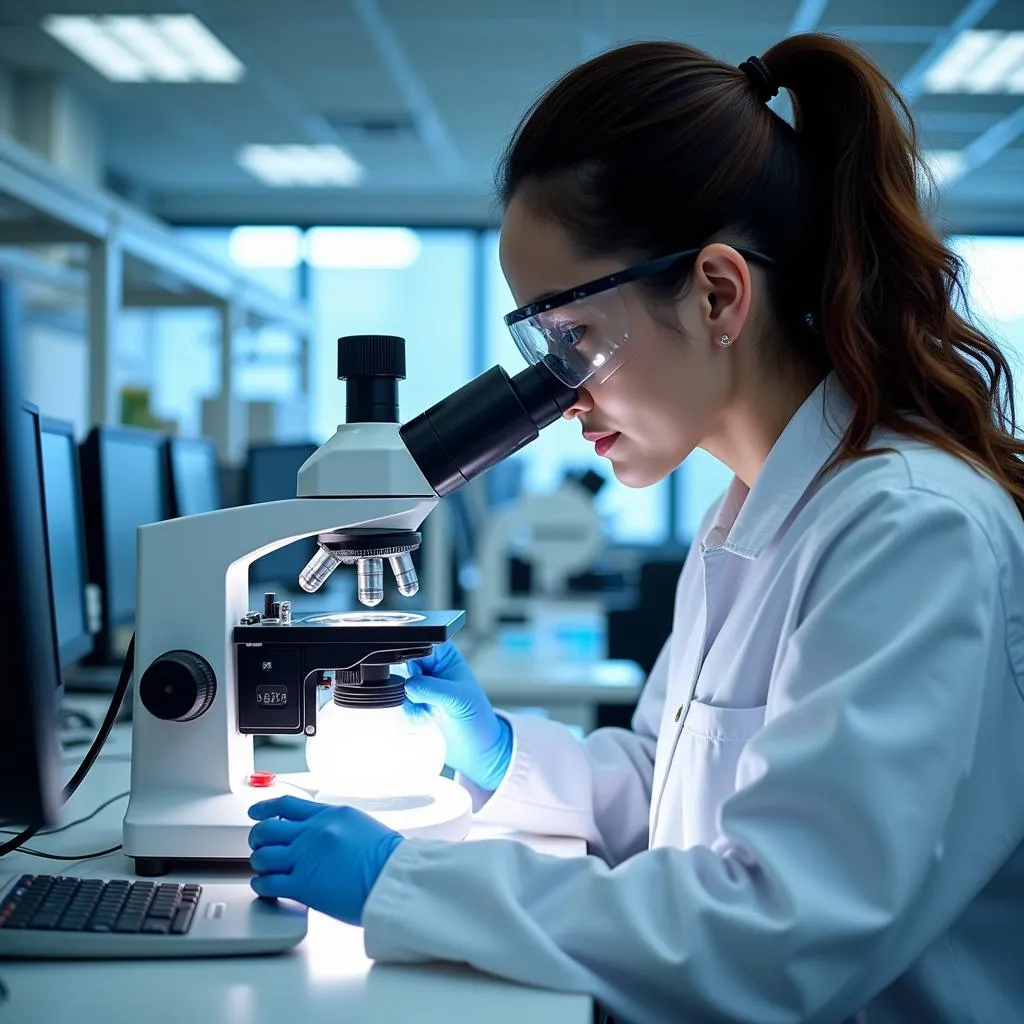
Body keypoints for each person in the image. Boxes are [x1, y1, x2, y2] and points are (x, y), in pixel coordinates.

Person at [246, 33, 1024, 1024]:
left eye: (571, 338)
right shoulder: (744, 519)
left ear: (715, 293)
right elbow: (667, 792)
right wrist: (493, 750)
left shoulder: (911, 533)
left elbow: (774, 932)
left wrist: (401, 882)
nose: (560, 394)